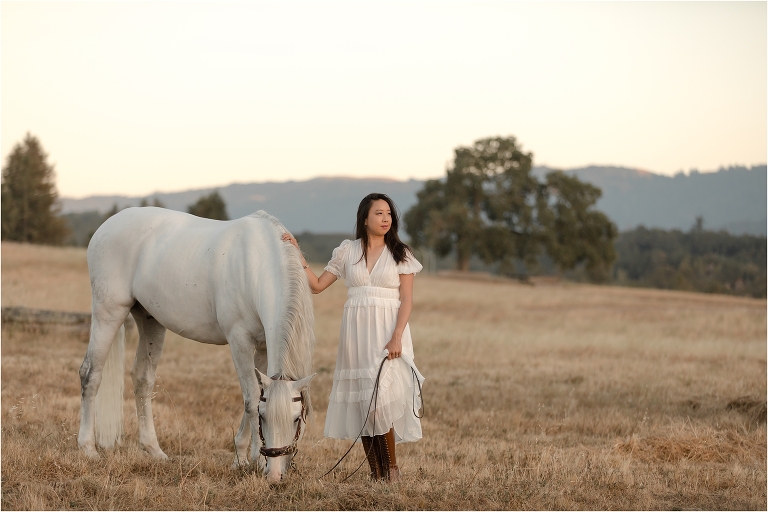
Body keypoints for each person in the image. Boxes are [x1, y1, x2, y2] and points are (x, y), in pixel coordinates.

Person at [282, 193, 424, 482]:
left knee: (381, 402)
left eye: (389, 214)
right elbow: (318, 286)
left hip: (388, 333)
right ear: (364, 218)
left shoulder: (401, 253)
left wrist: (396, 336)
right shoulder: (348, 251)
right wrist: (298, 255)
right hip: (356, 335)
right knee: (364, 404)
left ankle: (392, 472)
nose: (386, 219)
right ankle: (376, 474)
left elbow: (407, 300)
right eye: (379, 214)